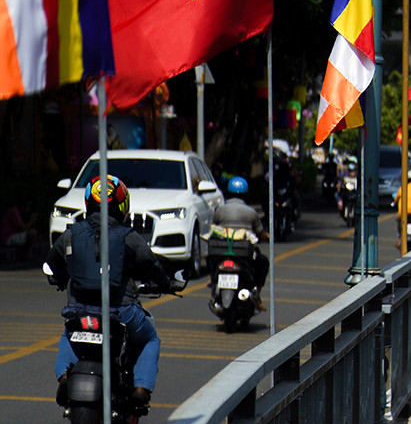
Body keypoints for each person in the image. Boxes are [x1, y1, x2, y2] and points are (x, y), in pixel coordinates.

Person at [50, 175, 179, 409]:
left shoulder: (71, 234)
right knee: (150, 338)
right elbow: (152, 266)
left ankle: (65, 377)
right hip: (120, 312)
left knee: (69, 334)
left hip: (79, 311)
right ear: (122, 205)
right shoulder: (128, 237)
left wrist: (58, 279)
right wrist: (168, 284)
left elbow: (52, 263)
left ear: (89, 201)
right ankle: (140, 388)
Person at [211, 175, 269, 291]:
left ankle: (213, 281)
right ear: (245, 194)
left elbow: (214, 229)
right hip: (244, 254)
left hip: (221, 252)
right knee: (264, 262)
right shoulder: (251, 212)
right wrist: (266, 236)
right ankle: (257, 291)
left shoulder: (220, 210)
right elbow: (260, 233)